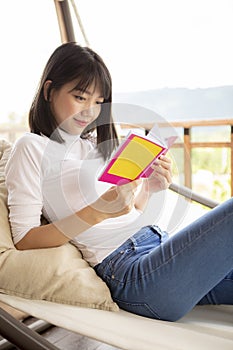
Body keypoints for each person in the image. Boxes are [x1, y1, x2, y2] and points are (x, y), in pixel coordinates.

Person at [5, 42, 233, 322]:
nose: (90, 111)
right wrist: (98, 210)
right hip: (133, 275)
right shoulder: (31, 147)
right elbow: (25, 239)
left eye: (99, 103)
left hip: (158, 248)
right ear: (49, 91)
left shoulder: (90, 146)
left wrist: (149, 188)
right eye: (80, 97)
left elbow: (126, 214)